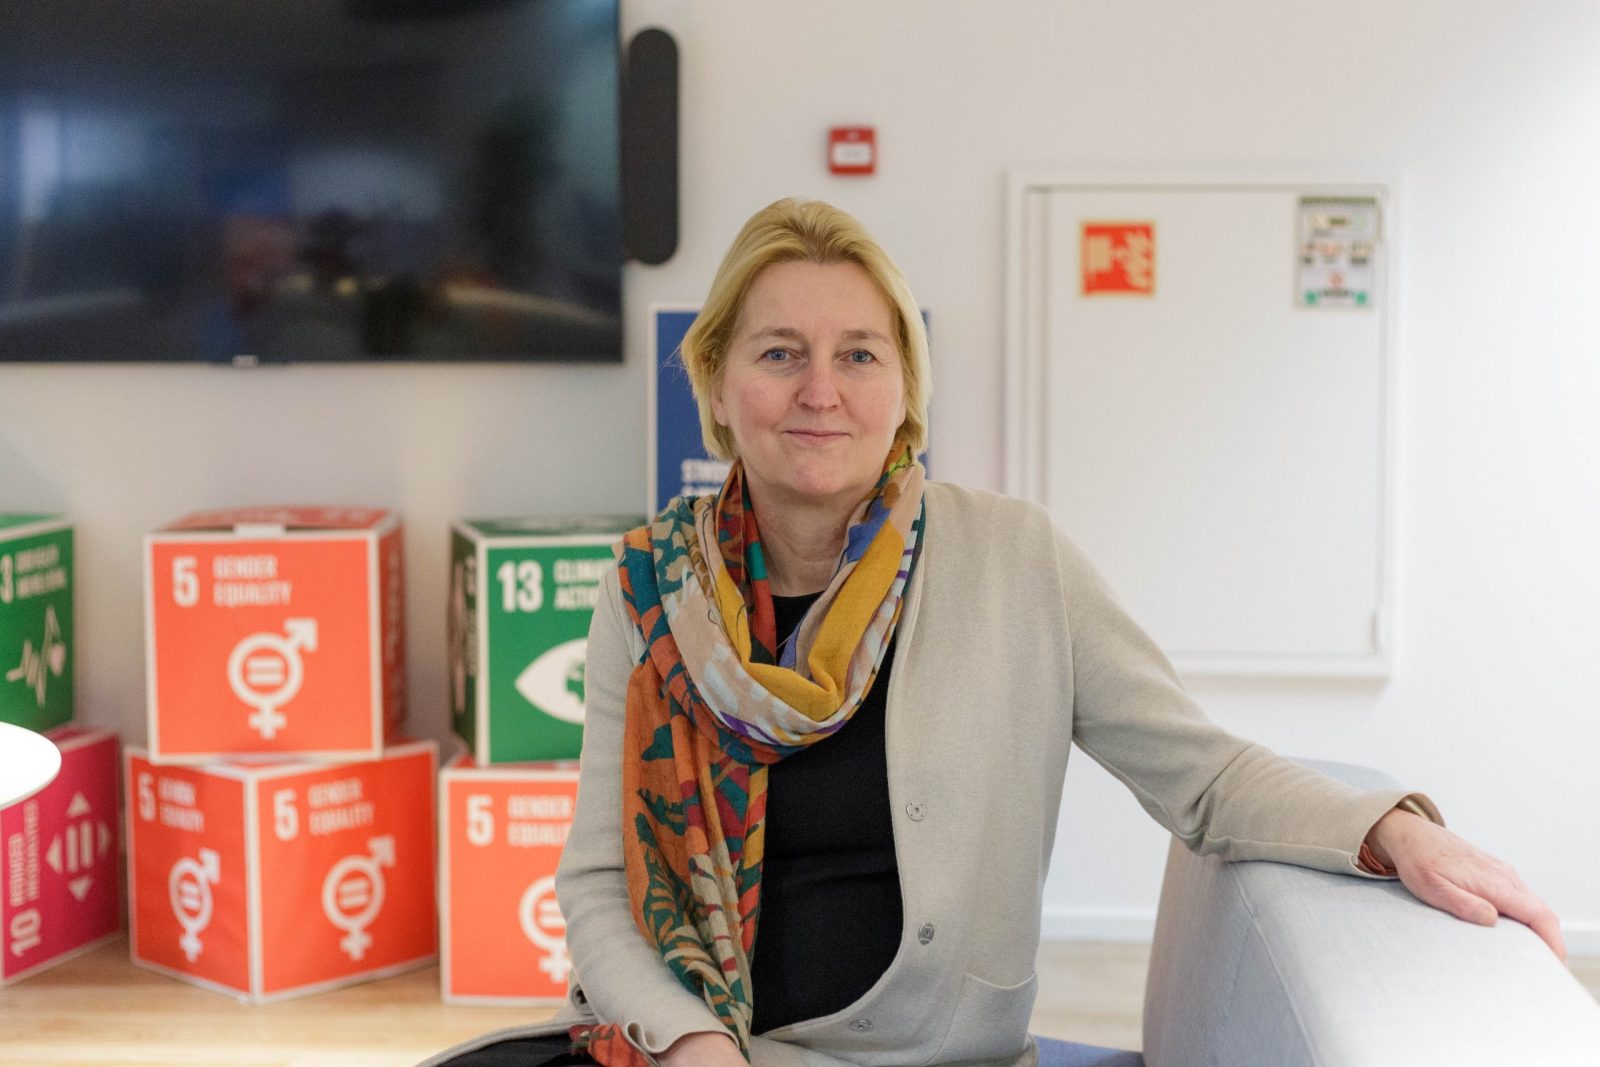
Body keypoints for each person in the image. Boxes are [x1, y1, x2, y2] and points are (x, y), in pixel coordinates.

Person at [539, 198, 1565, 1067]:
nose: (821, 389)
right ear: (718, 381)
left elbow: (1203, 776)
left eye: (859, 353)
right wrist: (692, 1042)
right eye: (780, 353)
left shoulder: (1015, 560)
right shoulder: (648, 588)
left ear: (904, 389)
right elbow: (596, 884)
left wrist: (1394, 829)